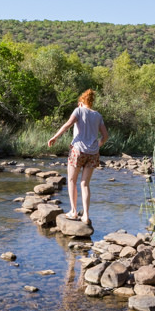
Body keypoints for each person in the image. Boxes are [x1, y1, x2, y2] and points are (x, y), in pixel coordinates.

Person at [48, 89, 108, 225]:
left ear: (81, 102)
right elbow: (105, 136)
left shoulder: (78, 111)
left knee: (71, 180)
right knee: (85, 184)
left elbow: (67, 125)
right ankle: (86, 216)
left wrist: (55, 137)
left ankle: (73, 211)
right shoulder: (98, 115)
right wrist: (98, 145)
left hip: (78, 151)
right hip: (93, 153)